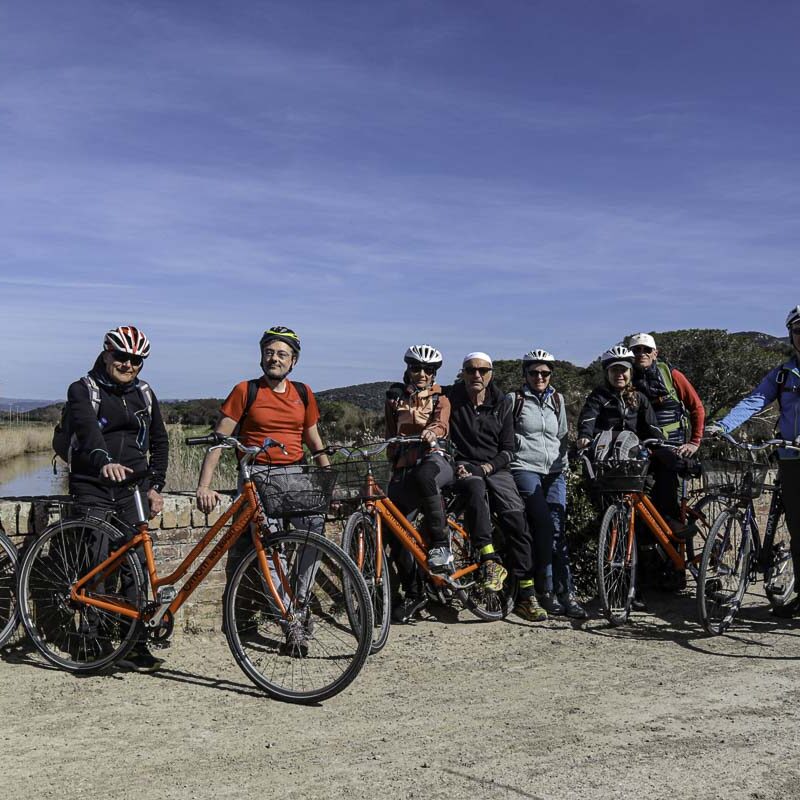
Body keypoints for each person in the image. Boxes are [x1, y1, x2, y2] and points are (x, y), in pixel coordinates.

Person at [195, 326, 331, 593]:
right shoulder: (246, 390)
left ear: (293, 361)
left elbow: (315, 442)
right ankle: (287, 614)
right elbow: (219, 440)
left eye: (282, 354)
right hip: (257, 473)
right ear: (261, 356)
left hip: (296, 473)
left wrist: (328, 479)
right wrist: (204, 485)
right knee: (270, 543)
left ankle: (300, 600)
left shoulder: (303, 393)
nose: (275, 359)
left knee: (315, 531)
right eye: (269, 352)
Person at [66, 325, 169, 672]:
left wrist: (156, 485)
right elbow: (87, 430)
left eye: (136, 360)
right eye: (122, 357)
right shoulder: (84, 389)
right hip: (94, 481)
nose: (129, 365)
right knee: (95, 561)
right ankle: (90, 640)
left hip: (133, 486)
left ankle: (134, 643)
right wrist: (103, 462)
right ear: (107, 353)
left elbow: (160, 442)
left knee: (136, 565)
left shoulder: (144, 392)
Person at [707, 305, 800, 616]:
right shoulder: (783, 374)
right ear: (792, 334)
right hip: (789, 457)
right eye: (798, 329)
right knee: (796, 527)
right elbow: (755, 399)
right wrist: (722, 425)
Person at [447, 352, 541, 621]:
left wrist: (487, 467)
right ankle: (489, 560)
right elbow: (422, 383)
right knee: (475, 488)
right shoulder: (451, 398)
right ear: (463, 373)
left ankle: (527, 595)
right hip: (465, 466)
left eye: (483, 370)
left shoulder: (502, 403)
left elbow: (509, 450)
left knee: (516, 520)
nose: (477, 375)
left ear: (491, 374)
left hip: (495, 467)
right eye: (470, 370)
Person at [577, 345, 664, 610]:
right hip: (609, 469)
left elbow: (652, 426)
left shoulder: (639, 397)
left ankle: (638, 586)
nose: (620, 375)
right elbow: (588, 420)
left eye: (624, 370)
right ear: (607, 372)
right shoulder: (599, 396)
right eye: (614, 370)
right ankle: (611, 582)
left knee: (641, 527)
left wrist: (657, 441)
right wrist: (584, 436)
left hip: (635, 467)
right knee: (612, 525)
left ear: (630, 372)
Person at [509, 349, 588, 619]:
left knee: (558, 529)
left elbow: (563, 434)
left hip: (555, 471)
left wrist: (563, 465)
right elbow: (506, 436)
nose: (539, 377)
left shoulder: (557, 399)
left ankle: (567, 593)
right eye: (534, 372)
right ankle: (546, 590)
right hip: (525, 468)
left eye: (545, 373)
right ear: (525, 374)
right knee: (543, 525)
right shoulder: (514, 400)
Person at [384, 344, 453, 622]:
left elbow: (442, 424)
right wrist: (391, 455)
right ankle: (414, 593)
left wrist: (431, 432)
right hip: (404, 465)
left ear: (434, 372)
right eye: (416, 368)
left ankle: (440, 544)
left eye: (428, 369)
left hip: (435, 460)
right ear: (408, 370)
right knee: (397, 532)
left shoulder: (441, 399)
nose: (421, 373)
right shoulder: (395, 399)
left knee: (426, 476)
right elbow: (390, 431)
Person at [628, 332, 705, 524]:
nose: (641, 354)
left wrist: (695, 442)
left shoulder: (672, 375)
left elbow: (696, 407)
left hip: (674, 448)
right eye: (636, 350)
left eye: (646, 350)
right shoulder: (626, 378)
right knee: (645, 506)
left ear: (655, 353)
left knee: (670, 505)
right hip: (643, 449)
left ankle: (675, 550)